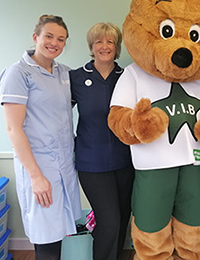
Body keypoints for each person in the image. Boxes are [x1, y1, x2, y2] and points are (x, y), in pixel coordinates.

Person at [0, 14, 81, 260]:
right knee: (46, 237)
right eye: (49, 36)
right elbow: (14, 129)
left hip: (64, 167)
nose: (54, 43)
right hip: (39, 168)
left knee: (58, 232)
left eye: (61, 39)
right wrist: (36, 177)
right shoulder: (18, 73)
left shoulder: (63, 73)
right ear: (36, 37)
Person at [69, 22, 134, 260]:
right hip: (92, 163)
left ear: (116, 47)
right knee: (109, 221)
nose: (104, 46)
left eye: (110, 42)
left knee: (121, 219)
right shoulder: (75, 78)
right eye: (99, 41)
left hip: (125, 161)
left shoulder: (127, 76)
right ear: (91, 46)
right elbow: (57, 114)